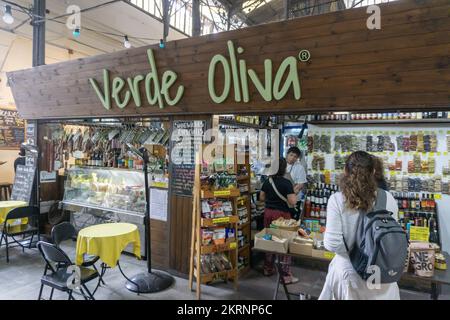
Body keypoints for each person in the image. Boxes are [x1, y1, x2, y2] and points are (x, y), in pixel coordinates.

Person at [319, 151, 400, 300]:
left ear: (345, 171)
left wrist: (358, 256)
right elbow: (392, 237)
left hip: (350, 274)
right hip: (383, 273)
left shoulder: (337, 200)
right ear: (373, 172)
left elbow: (331, 243)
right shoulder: (388, 198)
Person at [260, 158, 298, 284]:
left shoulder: (267, 181)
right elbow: (292, 201)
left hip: (268, 214)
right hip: (282, 217)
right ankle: (285, 275)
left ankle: (268, 268)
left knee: (269, 240)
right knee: (284, 244)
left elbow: (261, 197)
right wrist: (294, 193)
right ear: (283, 168)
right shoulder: (286, 183)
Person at [285, 147, 307, 218]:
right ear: (287, 154)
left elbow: (300, 185)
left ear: (297, 158)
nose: (292, 158)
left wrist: (290, 196)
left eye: (295, 157)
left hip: (294, 199)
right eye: (291, 155)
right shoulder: (281, 164)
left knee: (292, 220)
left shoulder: (300, 168)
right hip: (281, 199)